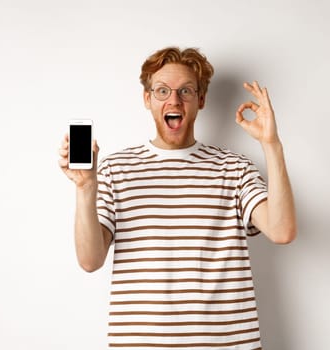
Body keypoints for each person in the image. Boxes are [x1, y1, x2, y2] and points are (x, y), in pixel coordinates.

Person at [57, 47, 297, 349]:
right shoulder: (115, 170)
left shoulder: (234, 168)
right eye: (162, 91)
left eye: (185, 90)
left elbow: (283, 230)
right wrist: (84, 187)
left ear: (201, 100)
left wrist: (271, 144)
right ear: (147, 99)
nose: (174, 100)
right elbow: (90, 261)